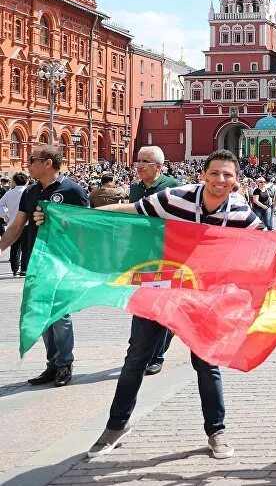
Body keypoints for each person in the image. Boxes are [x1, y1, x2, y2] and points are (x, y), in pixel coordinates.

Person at [84, 149, 262, 459]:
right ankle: (114, 428)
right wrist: (77, 216)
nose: (221, 180)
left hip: (203, 297)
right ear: (203, 175)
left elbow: (266, 244)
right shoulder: (176, 198)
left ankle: (216, 432)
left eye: (227, 175)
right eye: (215, 173)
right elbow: (132, 210)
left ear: (236, 180)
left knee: (207, 364)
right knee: (136, 358)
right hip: (159, 288)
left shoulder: (240, 214)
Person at [0, 144, 88, 386]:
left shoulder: (73, 191)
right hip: (37, 261)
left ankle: (64, 364)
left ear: (47, 163)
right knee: (42, 313)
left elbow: (87, 227)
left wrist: (57, 221)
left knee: (59, 312)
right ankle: (53, 364)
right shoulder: (30, 192)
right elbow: (17, 226)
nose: (27, 164)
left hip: (63, 260)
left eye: (32, 159)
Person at [127, 146, 183, 375]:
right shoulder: (134, 188)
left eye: (145, 162)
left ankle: (156, 355)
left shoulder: (173, 187)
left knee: (162, 307)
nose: (139, 165)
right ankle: (140, 350)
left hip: (168, 255)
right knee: (142, 305)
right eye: (138, 161)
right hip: (143, 256)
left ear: (159, 166)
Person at [0, 171, 29, 276]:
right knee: (26, 247)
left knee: (15, 247)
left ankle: (15, 269)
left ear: (15, 182)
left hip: (13, 223)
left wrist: (6, 216)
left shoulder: (9, 193)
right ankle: (24, 269)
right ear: (26, 181)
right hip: (27, 223)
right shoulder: (29, 191)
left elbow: (0, 205)